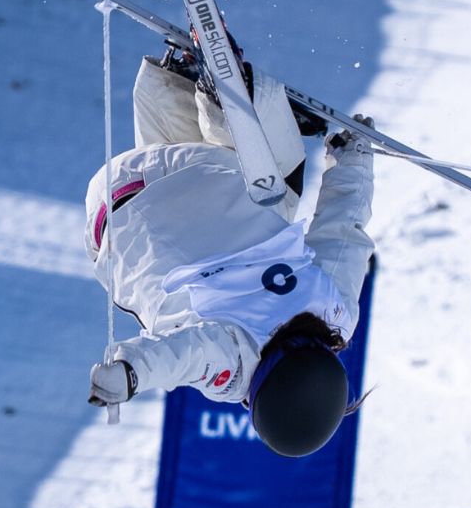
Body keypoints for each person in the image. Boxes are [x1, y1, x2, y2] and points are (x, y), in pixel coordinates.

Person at [84, 45, 375, 457]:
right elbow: (181, 354)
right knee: (218, 212)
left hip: (196, 172)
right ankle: (175, 82)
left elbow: (345, 228)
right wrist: (129, 373)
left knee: (274, 191)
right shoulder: (234, 366)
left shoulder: (337, 314)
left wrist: (353, 158)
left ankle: (222, 97)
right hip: (112, 208)